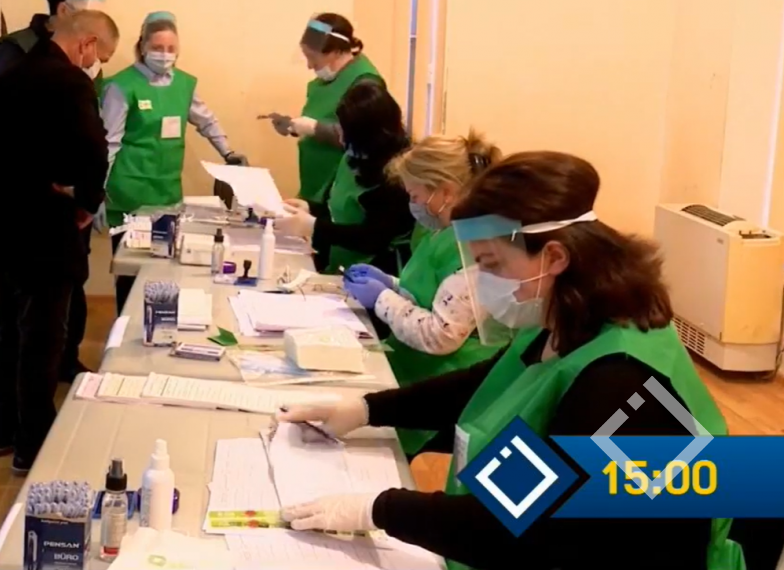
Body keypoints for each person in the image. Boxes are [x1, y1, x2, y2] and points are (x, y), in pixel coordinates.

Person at [277, 151, 745, 570]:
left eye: (492, 264)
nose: (481, 280)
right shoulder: (570, 316)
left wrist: (379, 509)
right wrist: (366, 409)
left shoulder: (618, 379)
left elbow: (516, 526)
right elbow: (486, 383)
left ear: (554, 256)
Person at [0, 9, 116, 474]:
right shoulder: (70, 83)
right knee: (42, 341)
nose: (96, 65)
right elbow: (94, 151)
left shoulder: (9, 74)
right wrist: (87, 201)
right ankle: (33, 445)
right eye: (100, 56)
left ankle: (1, 430)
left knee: (8, 332)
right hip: (44, 229)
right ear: (86, 44)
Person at [337, 130, 503, 455]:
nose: (412, 204)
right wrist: (391, 284)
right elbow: (436, 294)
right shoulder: (443, 231)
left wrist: (382, 299)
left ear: (446, 192)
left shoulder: (474, 246)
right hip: (415, 373)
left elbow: (442, 334)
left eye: (415, 196)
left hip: (447, 387)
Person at [0, 0, 103, 382]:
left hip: (58, 207)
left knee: (61, 303)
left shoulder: (74, 60)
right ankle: (23, 412)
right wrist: (77, 192)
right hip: (26, 211)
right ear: (64, 10)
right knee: (23, 327)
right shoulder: (18, 51)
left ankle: (64, 362)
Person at [100, 11, 247, 311]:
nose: (165, 55)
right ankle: (127, 331)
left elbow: (206, 121)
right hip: (129, 194)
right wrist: (96, 190)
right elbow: (108, 143)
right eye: (157, 47)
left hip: (167, 193)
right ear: (142, 46)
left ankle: (158, 331)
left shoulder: (184, 85)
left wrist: (228, 153)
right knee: (131, 275)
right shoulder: (122, 86)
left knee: (163, 271)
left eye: (171, 49)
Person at [274, 79, 414, 277]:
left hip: (374, 273)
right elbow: (339, 212)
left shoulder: (398, 176)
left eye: (346, 133)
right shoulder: (352, 158)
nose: (341, 139)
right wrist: (310, 208)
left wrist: (314, 226)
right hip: (339, 264)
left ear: (369, 136)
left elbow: (372, 238)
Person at [260, 13, 384, 202]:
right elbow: (324, 116)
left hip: (341, 190)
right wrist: (293, 126)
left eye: (312, 57)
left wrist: (313, 128)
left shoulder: (365, 83)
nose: (309, 66)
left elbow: (365, 138)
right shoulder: (326, 81)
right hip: (315, 188)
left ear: (336, 52)